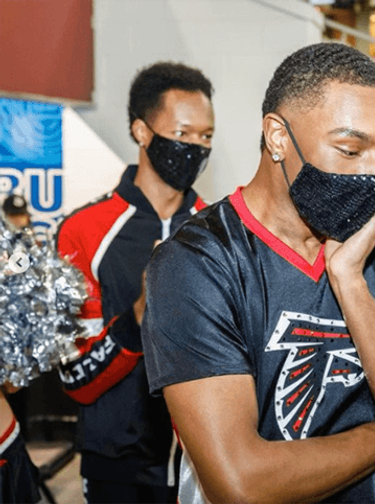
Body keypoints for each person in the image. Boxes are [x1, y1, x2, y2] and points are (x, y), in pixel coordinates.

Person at [141, 43, 375, 504]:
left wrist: (350, 282)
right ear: (277, 137)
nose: (373, 173)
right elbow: (240, 483)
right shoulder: (195, 261)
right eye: (350, 150)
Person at [55, 62, 213, 504]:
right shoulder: (83, 230)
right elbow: (75, 377)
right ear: (142, 132)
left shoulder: (219, 227)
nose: (196, 149)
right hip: (117, 463)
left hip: (207, 458)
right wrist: (140, 316)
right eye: (183, 135)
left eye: (206, 137)